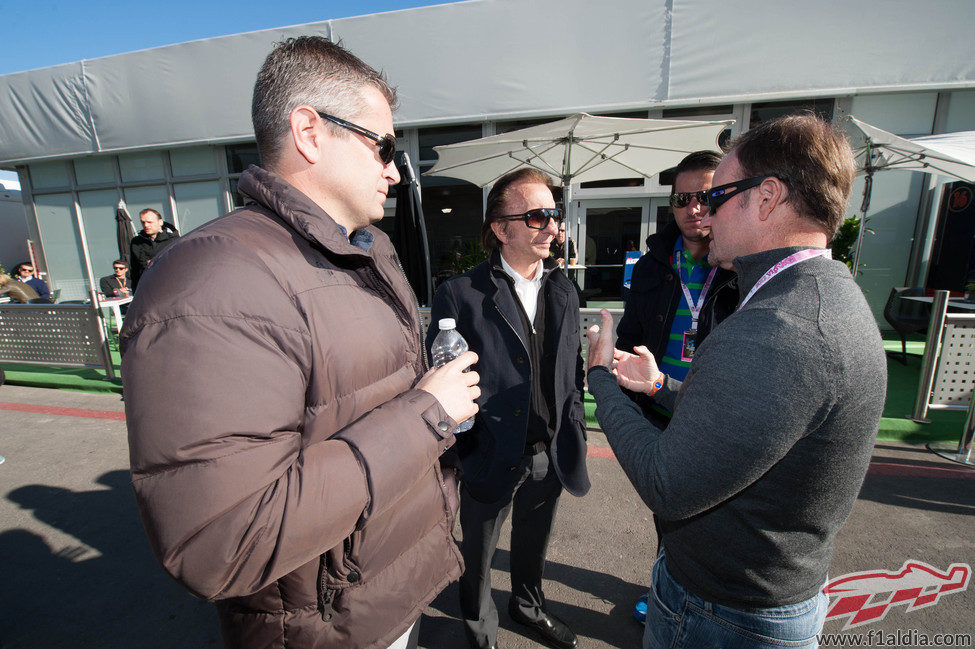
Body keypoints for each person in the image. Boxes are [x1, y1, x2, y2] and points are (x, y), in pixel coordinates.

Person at [121, 36, 480, 649]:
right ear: (310, 132)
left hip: (384, 600)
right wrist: (428, 414)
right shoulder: (215, 279)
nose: (396, 169)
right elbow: (220, 542)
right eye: (384, 146)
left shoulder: (370, 250)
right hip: (322, 628)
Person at [586, 114, 886, 649]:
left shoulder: (780, 327)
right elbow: (747, 427)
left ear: (767, 197)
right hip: (753, 601)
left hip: (722, 616)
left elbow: (668, 484)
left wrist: (598, 376)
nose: (703, 211)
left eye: (719, 195)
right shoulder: (814, 296)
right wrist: (658, 388)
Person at [429, 168, 589, 649]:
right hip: (490, 450)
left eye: (554, 215)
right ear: (501, 228)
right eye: (538, 216)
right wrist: (459, 454)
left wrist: (574, 423)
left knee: (533, 544)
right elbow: (442, 381)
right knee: (477, 556)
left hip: (550, 449)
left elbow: (571, 367)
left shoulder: (563, 290)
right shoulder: (460, 294)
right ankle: (481, 633)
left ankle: (528, 606)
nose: (552, 226)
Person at [616, 151, 737, 427]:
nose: (693, 209)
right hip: (652, 415)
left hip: (712, 423)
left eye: (704, 198)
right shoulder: (651, 265)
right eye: (682, 199)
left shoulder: (737, 268)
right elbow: (629, 339)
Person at [129, 208, 178, 290]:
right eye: (143, 222)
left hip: (171, 287)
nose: (146, 225)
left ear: (160, 222)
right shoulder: (136, 242)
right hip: (148, 289)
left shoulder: (173, 240)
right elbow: (135, 271)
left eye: (149, 222)